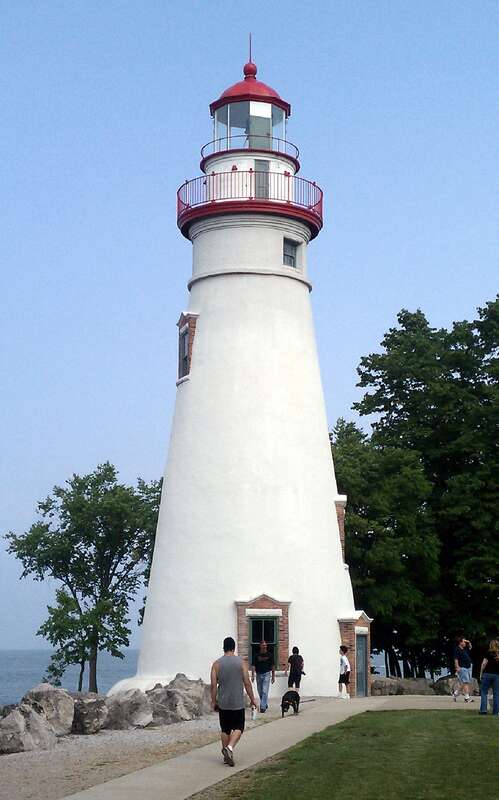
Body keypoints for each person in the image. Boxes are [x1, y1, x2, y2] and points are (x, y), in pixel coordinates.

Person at [210, 636, 257, 767]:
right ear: (234, 647)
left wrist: (213, 701)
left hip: (223, 702)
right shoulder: (241, 663)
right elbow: (247, 683)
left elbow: (213, 685)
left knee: (225, 729)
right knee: (239, 727)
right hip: (237, 702)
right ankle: (230, 748)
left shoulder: (216, 664)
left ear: (223, 647)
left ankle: (226, 756)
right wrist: (252, 699)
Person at [251, 641, 275, 713]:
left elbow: (273, 665)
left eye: (265, 645)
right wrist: (252, 675)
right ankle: (264, 703)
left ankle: (263, 707)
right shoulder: (256, 655)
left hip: (267, 673)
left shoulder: (270, 655)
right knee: (260, 691)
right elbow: (253, 665)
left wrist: (273, 676)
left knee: (265, 691)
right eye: (263, 645)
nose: (264, 646)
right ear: (260, 646)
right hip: (258, 674)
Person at [478, 639, 499, 716]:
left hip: (487, 674)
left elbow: (483, 664)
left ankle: (483, 710)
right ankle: (496, 712)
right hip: (497, 676)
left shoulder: (488, 653)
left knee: (484, 692)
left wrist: (480, 674)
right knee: (497, 694)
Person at [452, 637, 474, 703]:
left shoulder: (464, 649)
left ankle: (455, 694)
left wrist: (468, 641)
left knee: (465, 682)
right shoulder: (457, 649)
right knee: (466, 682)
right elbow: (456, 659)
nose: (465, 643)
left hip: (468, 667)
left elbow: (470, 647)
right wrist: (457, 667)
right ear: (460, 642)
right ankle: (467, 698)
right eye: (464, 642)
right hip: (462, 667)